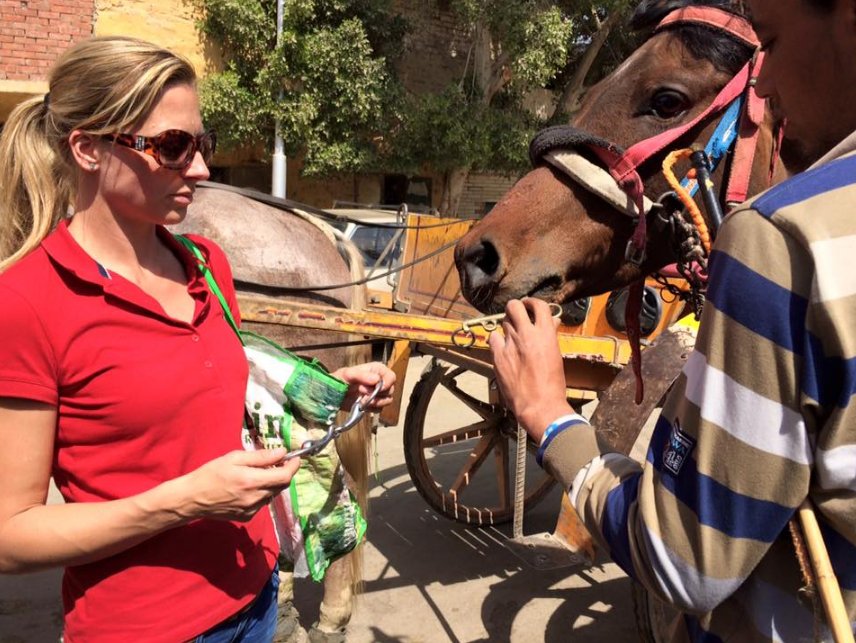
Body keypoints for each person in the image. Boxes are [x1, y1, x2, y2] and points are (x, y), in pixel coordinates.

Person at [0, 36, 395, 642]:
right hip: (146, 626)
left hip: (258, 597)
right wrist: (184, 502)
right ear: (87, 149)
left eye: (200, 144)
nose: (203, 169)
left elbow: (216, 404)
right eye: (173, 146)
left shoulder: (204, 263)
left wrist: (331, 394)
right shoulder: (27, 300)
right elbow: (10, 536)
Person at [489, 0, 856, 640]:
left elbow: (685, 562)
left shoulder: (781, 242)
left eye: (770, 41)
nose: (763, 85)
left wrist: (549, 416)